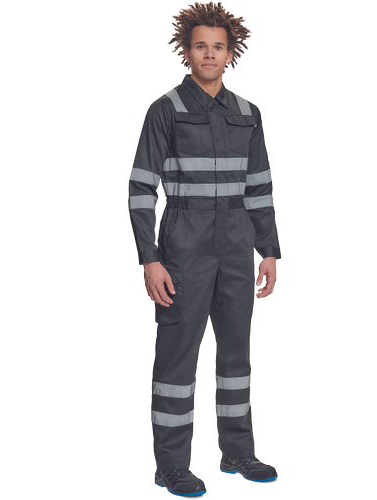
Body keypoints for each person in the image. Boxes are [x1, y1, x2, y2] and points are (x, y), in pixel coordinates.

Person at [128, 2, 281, 497]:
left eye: (218, 47)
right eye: (201, 46)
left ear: (231, 53)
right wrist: (150, 258)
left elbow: (259, 187)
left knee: (236, 356)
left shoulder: (248, 114)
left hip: (236, 247)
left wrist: (268, 250)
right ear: (187, 51)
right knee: (177, 359)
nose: (209, 54)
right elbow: (140, 188)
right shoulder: (166, 109)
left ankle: (238, 453)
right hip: (182, 249)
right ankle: (171, 466)